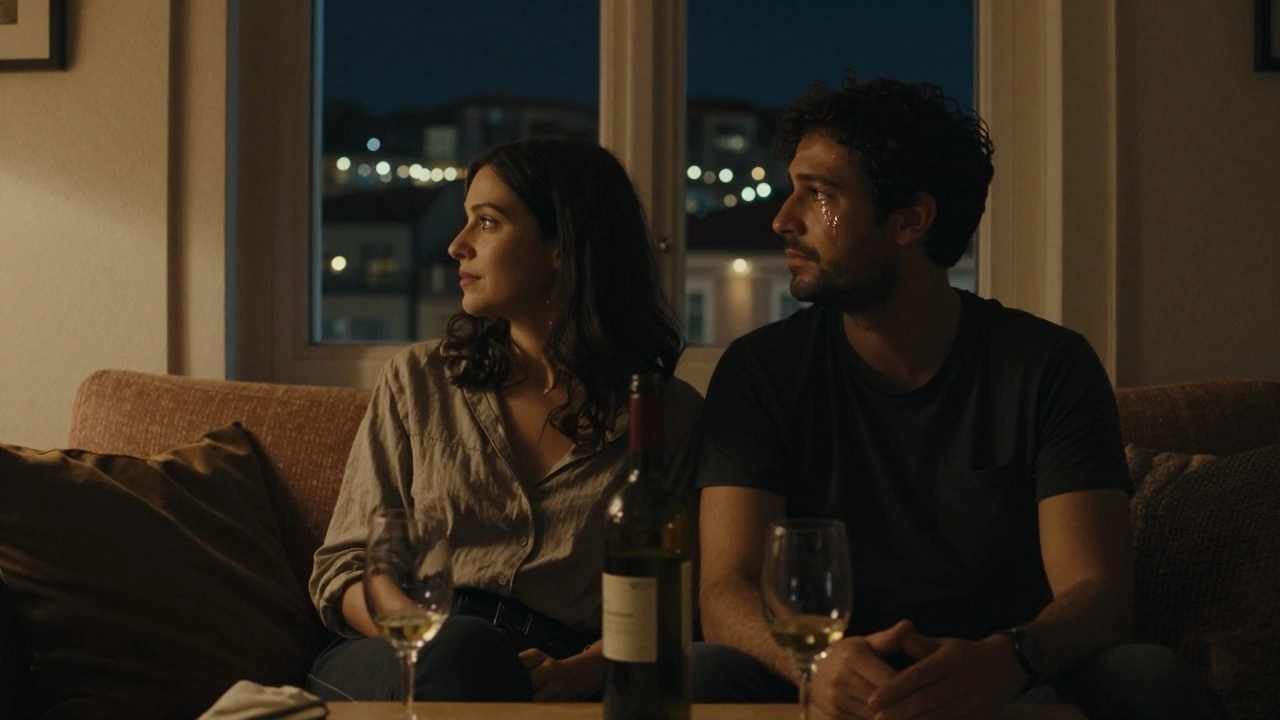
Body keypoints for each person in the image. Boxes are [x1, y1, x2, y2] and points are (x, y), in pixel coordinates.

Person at [692, 74, 1223, 720]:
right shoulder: (759, 370)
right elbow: (725, 589)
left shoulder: (1047, 366)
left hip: (1010, 676)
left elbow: (1100, 593)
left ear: (911, 219)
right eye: (791, 188)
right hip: (820, 671)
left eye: (820, 194)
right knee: (694, 672)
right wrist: (814, 665)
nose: (783, 218)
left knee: (1150, 679)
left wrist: (1009, 658)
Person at [306, 137, 702, 703]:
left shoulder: (666, 416)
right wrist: (420, 634)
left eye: (487, 223)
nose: (456, 246)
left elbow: (676, 602)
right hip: (401, 650)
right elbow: (345, 564)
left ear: (561, 245)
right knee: (465, 651)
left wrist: (587, 671)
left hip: (563, 665)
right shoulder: (417, 380)